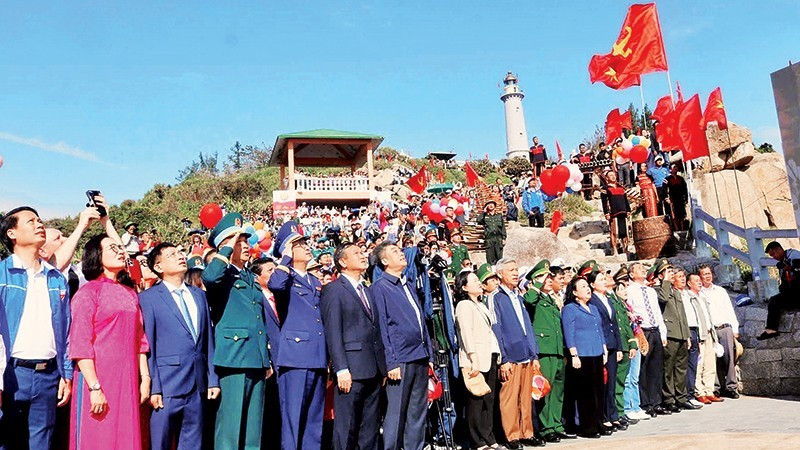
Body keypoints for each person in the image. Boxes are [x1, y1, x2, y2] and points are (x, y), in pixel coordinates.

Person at [0, 207, 74, 449]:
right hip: (10, 374)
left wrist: (65, 373)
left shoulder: (56, 278)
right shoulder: (2, 274)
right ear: (12, 233)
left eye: (39, 220)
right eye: (30, 221)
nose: (39, 224)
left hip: (48, 375)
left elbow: (65, 329)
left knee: (42, 441)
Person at [68, 233, 151, 449]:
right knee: (98, 438)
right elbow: (80, 344)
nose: (120, 251)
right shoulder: (88, 292)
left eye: (121, 248)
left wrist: (145, 377)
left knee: (126, 436)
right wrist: (94, 387)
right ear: (96, 255)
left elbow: (140, 340)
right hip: (97, 378)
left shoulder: (130, 294)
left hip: (128, 378)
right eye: (112, 248)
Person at [202, 213, 273, 449]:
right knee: (230, 432)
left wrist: (266, 358)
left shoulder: (248, 276)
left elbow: (258, 319)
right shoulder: (221, 272)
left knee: (253, 431)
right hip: (233, 358)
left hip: (255, 357)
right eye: (240, 240)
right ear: (227, 245)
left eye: (246, 240)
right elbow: (210, 277)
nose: (246, 245)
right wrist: (225, 250)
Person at [140, 242, 220, 449]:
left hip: (198, 382)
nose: (180, 255)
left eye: (180, 252)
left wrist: (212, 379)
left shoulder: (199, 295)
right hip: (166, 385)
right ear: (158, 267)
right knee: (161, 442)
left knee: (193, 441)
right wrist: (154, 386)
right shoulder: (148, 299)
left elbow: (208, 341)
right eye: (171, 254)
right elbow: (148, 346)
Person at [321, 243, 386, 450]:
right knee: (347, 427)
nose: (362, 255)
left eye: (362, 251)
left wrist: (382, 365)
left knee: (370, 428)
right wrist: (341, 368)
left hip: (373, 368)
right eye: (356, 253)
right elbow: (333, 331)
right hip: (351, 369)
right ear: (342, 262)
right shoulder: (333, 290)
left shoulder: (367, 289)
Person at [268, 221, 327, 450]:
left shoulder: (314, 280)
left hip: (317, 355)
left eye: (304, 242)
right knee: (293, 420)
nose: (306, 247)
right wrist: (284, 259)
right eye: (298, 244)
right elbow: (276, 285)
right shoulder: (285, 275)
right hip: (295, 356)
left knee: (313, 422)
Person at [370, 242, 433, 450]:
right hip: (400, 357)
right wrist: (391, 361)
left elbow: (421, 321)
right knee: (397, 412)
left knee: (417, 411)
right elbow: (382, 328)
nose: (401, 254)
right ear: (385, 261)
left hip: (420, 355)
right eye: (395, 252)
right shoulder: (380, 288)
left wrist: (429, 355)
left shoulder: (408, 284)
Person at [488, 258, 543, 449]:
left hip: (526, 353)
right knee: (510, 398)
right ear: (500, 274)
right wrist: (503, 358)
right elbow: (496, 328)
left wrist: (534, 354)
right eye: (510, 270)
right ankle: (511, 436)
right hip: (510, 356)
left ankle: (527, 432)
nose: (514, 272)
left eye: (516, 269)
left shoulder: (518, 295)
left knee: (526, 398)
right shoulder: (496, 297)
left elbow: (527, 326)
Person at [522, 260, 572, 443]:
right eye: (545, 277)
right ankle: (545, 428)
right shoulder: (534, 297)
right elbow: (528, 301)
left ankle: (556, 424)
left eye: (550, 277)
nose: (549, 280)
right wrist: (535, 285)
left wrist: (564, 350)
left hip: (557, 350)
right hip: (544, 350)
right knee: (546, 389)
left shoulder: (551, 299)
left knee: (558, 390)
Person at [455, 268, 504, 450]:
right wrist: (473, 358)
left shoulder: (481, 305)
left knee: (488, 400)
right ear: (465, 287)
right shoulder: (464, 305)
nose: (478, 283)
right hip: (474, 358)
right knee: (475, 401)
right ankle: (477, 441)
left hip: (489, 355)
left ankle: (489, 436)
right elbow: (466, 333)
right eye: (474, 280)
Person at [561, 277, 608, 439]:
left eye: (588, 286)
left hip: (596, 353)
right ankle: (586, 426)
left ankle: (598, 422)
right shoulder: (570, 309)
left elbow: (599, 330)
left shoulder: (593, 308)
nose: (587, 289)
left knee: (598, 390)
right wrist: (573, 354)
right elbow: (569, 332)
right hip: (581, 355)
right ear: (574, 292)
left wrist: (604, 349)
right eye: (583, 287)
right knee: (585, 393)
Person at [652, 260, 696, 412]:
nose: (671, 275)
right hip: (670, 335)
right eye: (668, 272)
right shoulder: (658, 290)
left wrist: (687, 335)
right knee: (668, 369)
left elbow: (682, 316)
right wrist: (664, 282)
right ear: (660, 275)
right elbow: (662, 300)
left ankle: (681, 397)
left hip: (681, 334)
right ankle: (669, 399)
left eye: (672, 272)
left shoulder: (675, 291)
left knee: (681, 368)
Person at [626, 262, 668, 417]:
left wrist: (662, 332)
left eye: (644, 268)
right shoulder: (629, 291)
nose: (643, 270)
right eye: (639, 269)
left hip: (654, 329)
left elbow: (657, 312)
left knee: (656, 368)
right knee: (643, 369)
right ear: (631, 274)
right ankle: (645, 403)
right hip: (642, 331)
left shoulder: (650, 291)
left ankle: (656, 402)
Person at [250, 257, 281, 450]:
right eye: (270, 270)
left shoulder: (282, 296)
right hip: (267, 363)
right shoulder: (255, 298)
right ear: (257, 277)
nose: (275, 273)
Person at [587, 269, 624, 431]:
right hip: (602, 346)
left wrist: (620, 346)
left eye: (604, 278)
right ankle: (604, 416)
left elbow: (614, 324)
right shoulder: (593, 301)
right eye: (600, 279)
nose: (604, 281)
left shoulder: (608, 299)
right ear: (592, 284)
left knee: (612, 383)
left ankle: (613, 414)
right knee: (604, 382)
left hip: (613, 344)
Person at [698, 265, 740, 399]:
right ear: (699, 277)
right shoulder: (699, 293)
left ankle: (731, 386)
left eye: (709, 273)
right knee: (712, 360)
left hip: (725, 328)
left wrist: (735, 329)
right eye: (704, 274)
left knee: (729, 358)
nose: (707, 276)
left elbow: (729, 310)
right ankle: (715, 388)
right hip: (711, 330)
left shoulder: (720, 291)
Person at [681, 272, 721, 405]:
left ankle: (709, 391)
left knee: (710, 364)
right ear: (689, 283)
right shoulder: (688, 297)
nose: (699, 282)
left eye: (699, 280)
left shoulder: (702, 296)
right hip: (699, 334)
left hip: (709, 332)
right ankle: (699, 391)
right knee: (699, 364)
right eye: (696, 280)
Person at [608, 268, 639, 426]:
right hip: (618, 346)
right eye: (621, 288)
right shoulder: (612, 301)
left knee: (622, 380)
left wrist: (632, 343)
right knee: (617, 382)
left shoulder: (621, 304)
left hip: (626, 346)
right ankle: (619, 411)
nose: (625, 290)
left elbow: (626, 326)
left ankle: (621, 411)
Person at [758, 242, 800, 340]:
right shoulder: (782, 263)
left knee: (775, 301)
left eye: (773, 254)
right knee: (774, 301)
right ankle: (771, 329)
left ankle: (771, 329)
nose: (774, 257)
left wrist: (791, 268)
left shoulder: (794, 255)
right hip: (793, 293)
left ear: (779, 249)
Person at [600, 171, 631, 256]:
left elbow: (626, 200)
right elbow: (604, 202)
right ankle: (615, 250)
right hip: (613, 212)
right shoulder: (605, 189)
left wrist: (628, 210)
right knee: (614, 232)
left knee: (625, 232)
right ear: (607, 178)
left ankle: (626, 249)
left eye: (614, 175)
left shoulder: (621, 187)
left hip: (623, 211)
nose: (613, 177)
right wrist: (606, 213)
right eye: (610, 175)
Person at [477, 200, 506, 265]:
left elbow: (503, 227)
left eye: (492, 204)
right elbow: (478, 220)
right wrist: (484, 212)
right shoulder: (485, 216)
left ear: (495, 206)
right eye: (488, 204)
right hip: (489, 239)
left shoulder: (499, 215)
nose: (490, 205)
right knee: (490, 258)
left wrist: (504, 238)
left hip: (498, 239)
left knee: (500, 259)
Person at [665, 164, 689, 231]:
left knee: (681, 214)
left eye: (676, 167)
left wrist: (686, 197)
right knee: (674, 214)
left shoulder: (681, 178)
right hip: (672, 198)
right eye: (674, 167)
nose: (676, 168)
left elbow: (685, 189)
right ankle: (677, 229)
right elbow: (665, 189)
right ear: (670, 170)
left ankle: (682, 229)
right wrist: (666, 198)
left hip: (680, 198)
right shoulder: (667, 179)